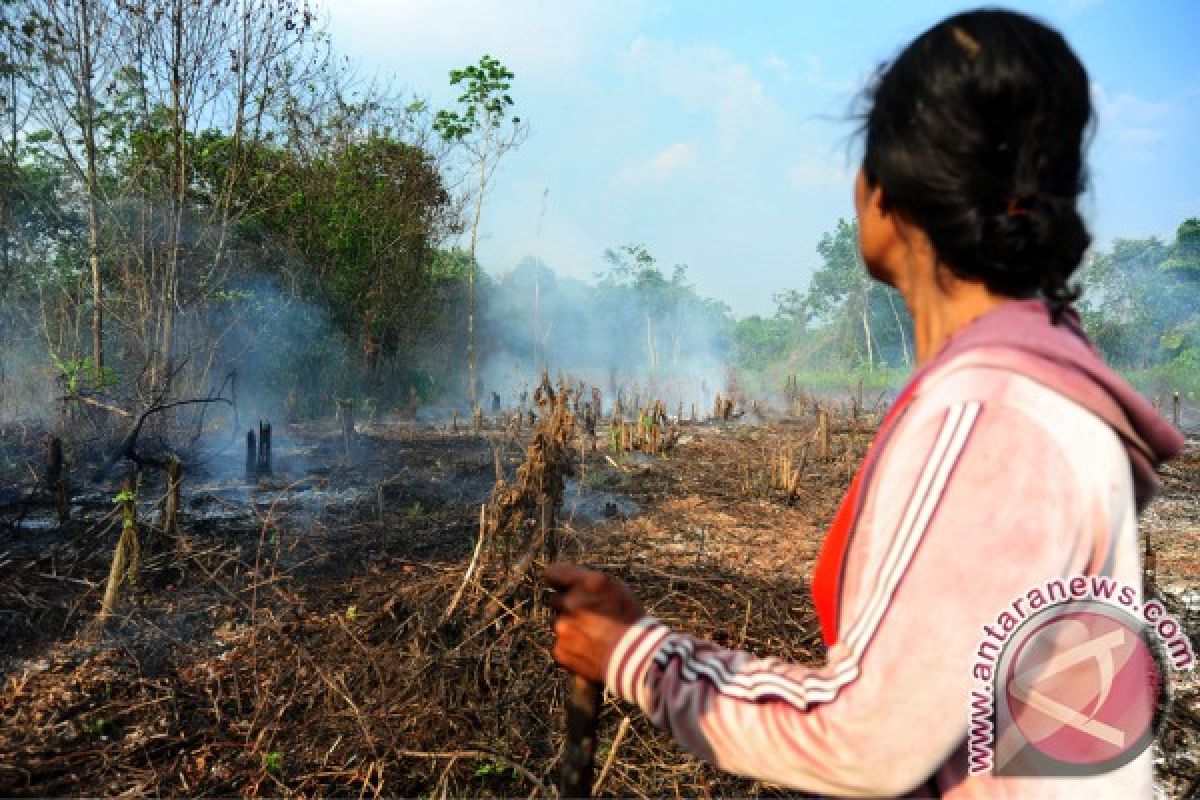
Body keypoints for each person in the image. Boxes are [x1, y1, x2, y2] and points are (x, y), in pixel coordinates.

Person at [546, 9, 1185, 798]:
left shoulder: (992, 417)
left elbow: (865, 739)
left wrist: (634, 656)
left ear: (886, 191)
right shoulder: (1040, 389)